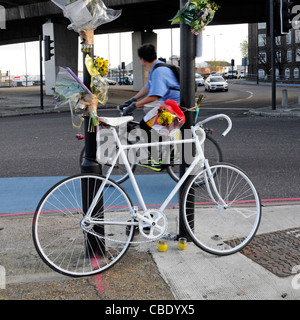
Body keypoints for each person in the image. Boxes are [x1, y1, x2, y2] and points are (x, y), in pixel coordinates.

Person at [118, 44, 180, 165]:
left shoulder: (159, 71)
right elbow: (147, 88)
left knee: (144, 125)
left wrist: (135, 105)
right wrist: (131, 100)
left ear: (142, 59)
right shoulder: (155, 69)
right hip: (168, 104)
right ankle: (165, 147)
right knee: (149, 122)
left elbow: (154, 96)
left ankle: (158, 157)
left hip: (174, 106)